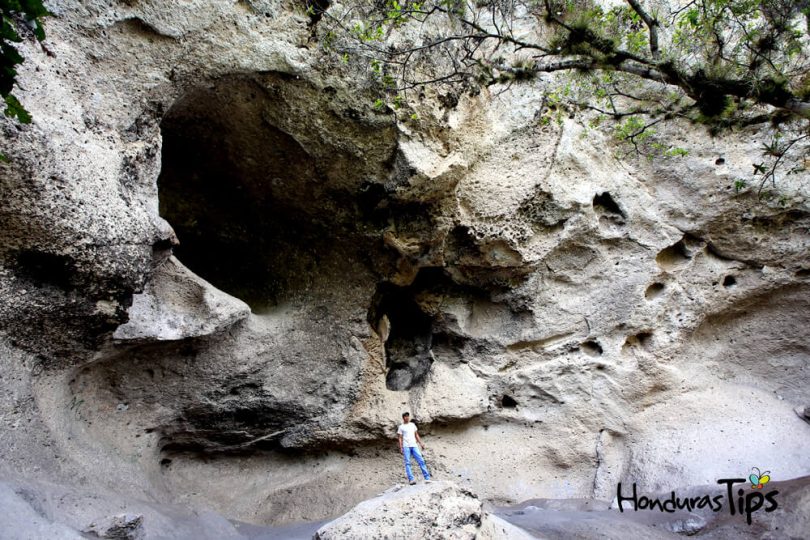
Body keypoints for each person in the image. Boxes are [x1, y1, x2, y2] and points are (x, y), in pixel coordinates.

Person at [397, 411, 431, 485]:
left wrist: (421, 443)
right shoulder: (401, 427)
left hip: (414, 445)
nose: (407, 417)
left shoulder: (412, 425)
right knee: (408, 463)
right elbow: (399, 438)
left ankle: (427, 478)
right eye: (406, 416)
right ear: (403, 418)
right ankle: (411, 479)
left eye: (408, 416)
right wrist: (401, 447)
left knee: (421, 460)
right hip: (406, 446)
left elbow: (416, 435)